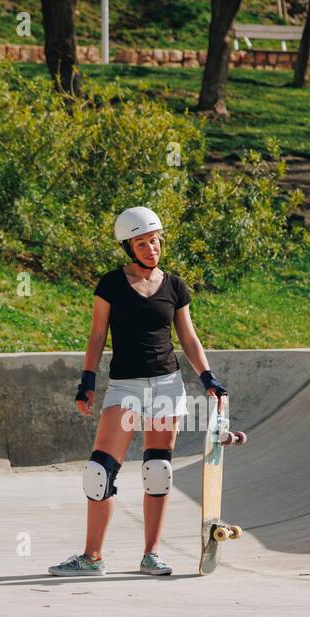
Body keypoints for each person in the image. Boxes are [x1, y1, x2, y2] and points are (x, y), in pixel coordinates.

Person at [48, 207, 228, 578]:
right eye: (142, 243)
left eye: (155, 240)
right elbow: (97, 335)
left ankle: (151, 556)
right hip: (126, 387)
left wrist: (207, 377)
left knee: (158, 469)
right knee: (99, 471)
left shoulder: (175, 286)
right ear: (129, 247)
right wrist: (87, 380)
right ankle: (92, 557)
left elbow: (188, 338)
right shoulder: (111, 284)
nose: (152, 248)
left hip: (166, 385)